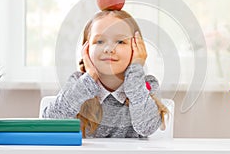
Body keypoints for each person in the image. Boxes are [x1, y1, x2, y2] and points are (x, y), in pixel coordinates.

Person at [42, 10, 168, 138]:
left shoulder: (146, 84)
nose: (109, 49)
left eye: (120, 41)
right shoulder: (78, 84)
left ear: (136, 48)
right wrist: (89, 79)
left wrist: (135, 72)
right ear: (86, 49)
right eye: (100, 41)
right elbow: (50, 122)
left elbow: (147, 128)